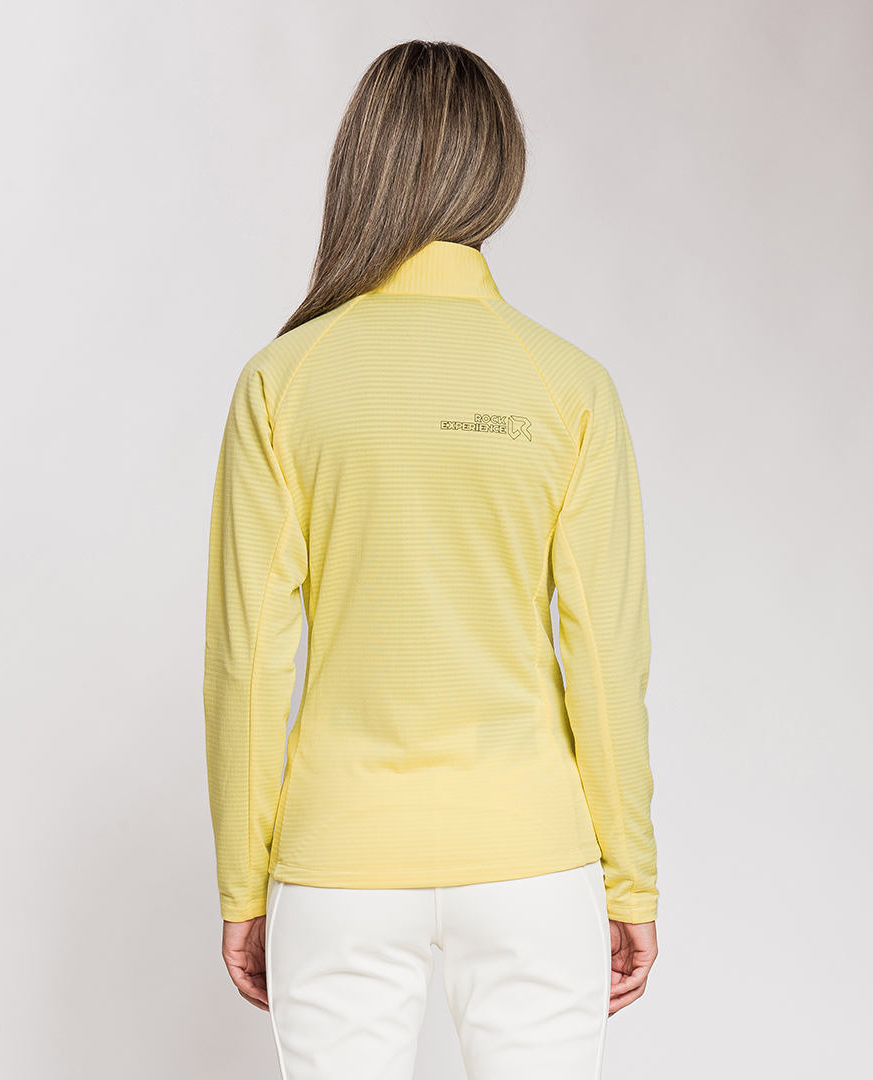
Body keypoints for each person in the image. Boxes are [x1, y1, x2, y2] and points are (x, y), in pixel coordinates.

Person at [203, 39, 658, 1080]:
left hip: (339, 863)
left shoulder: (283, 380)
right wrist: (630, 879)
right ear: (500, 170)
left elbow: (247, 661)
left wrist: (244, 884)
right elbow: (605, 661)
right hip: (534, 861)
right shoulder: (569, 386)